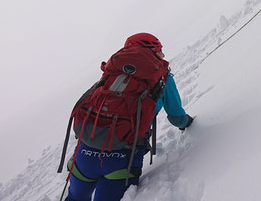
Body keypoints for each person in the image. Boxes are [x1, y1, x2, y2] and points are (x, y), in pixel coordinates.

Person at [61, 33, 193, 201]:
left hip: (85, 153)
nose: (163, 54)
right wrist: (187, 123)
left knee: (74, 198)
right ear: (151, 51)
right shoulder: (162, 77)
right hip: (123, 158)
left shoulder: (111, 73)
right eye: (159, 50)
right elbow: (176, 116)